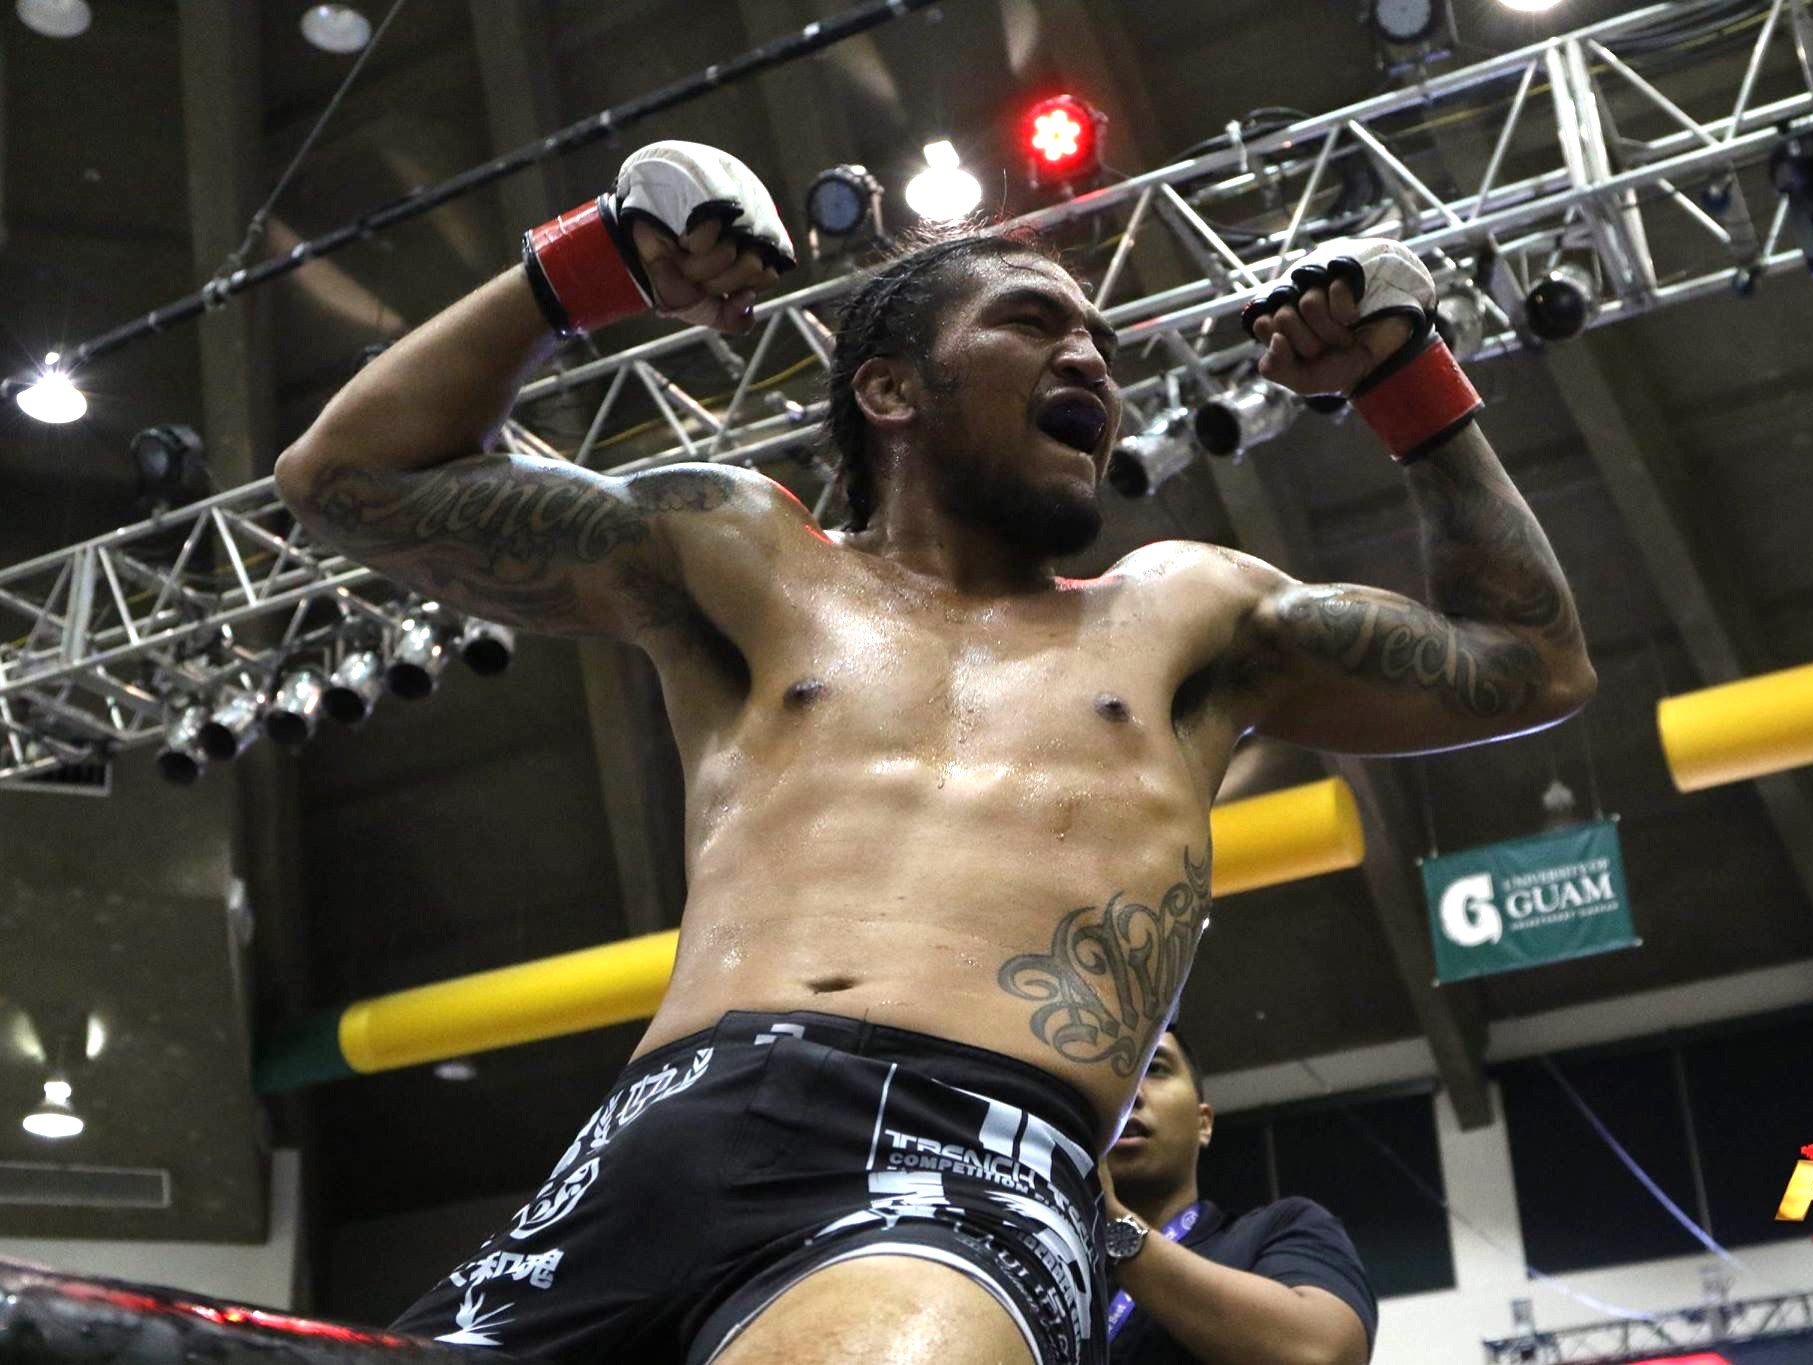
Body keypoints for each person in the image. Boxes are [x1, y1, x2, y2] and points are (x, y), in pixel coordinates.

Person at [273, 140, 1593, 1365]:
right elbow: (343, 476)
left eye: (1099, 338)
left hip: (974, 1154)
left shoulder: (1190, 617)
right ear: (891, 388)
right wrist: (595, 263)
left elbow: (1531, 664)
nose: (1089, 357)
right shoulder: (743, 555)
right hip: (664, 1129)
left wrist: (1407, 379)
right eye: (1032, 323)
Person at [1100, 1028, 1375, 1365]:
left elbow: (1324, 1353)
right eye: (1109, 1075)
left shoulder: (1281, 1228)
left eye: (1155, 1069)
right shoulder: (1043, 1265)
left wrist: (1113, 1227)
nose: (1130, 1093)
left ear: (1204, 1123)